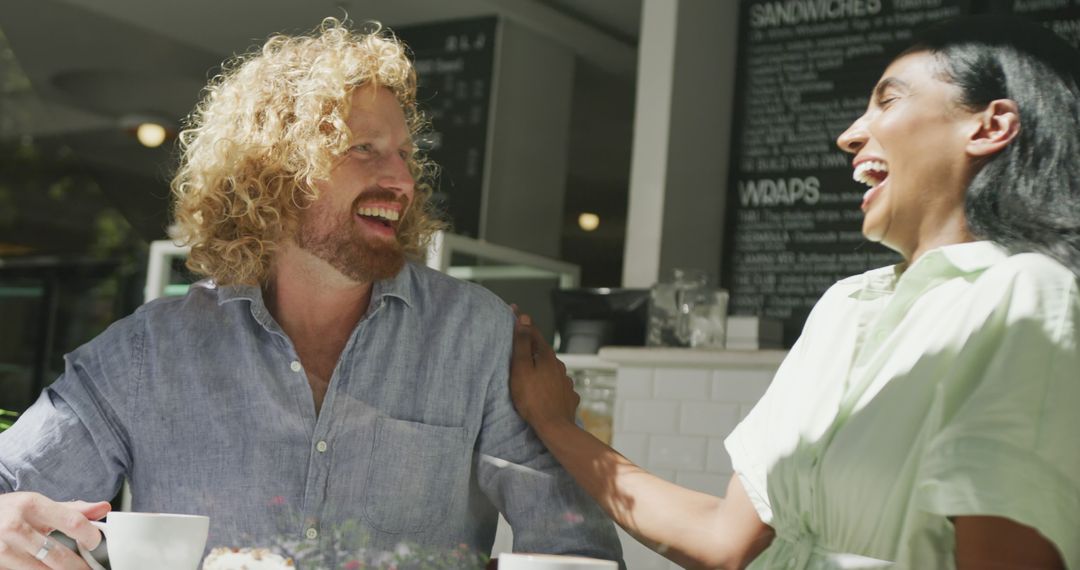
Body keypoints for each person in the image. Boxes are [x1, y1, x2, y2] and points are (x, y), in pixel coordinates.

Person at [0, 18, 621, 570]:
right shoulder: (148, 353)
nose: (402, 179)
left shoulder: (477, 336)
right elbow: (10, 489)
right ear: (271, 174)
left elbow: (575, 549)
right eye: (365, 150)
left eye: (406, 155)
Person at [510, 16, 1079, 570]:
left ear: (989, 127)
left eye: (888, 100)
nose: (850, 135)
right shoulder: (845, 307)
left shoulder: (1027, 294)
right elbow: (724, 541)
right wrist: (556, 423)